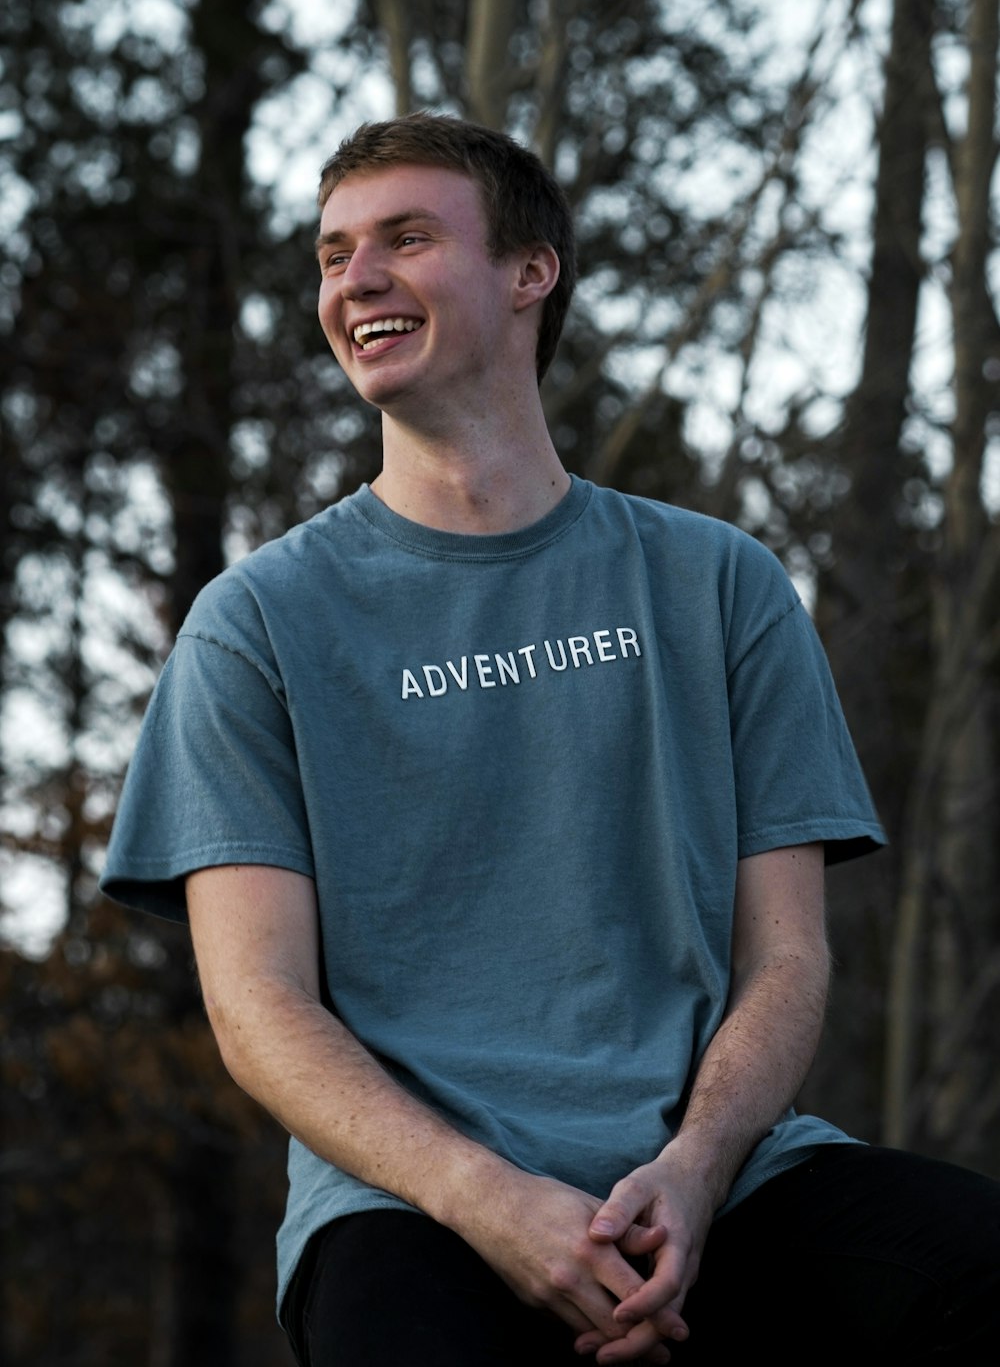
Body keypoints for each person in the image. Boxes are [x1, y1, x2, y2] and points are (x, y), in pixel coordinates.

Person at [100, 112, 1000, 1365]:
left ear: (532, 273)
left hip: (720, 1184)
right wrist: (484, 1197)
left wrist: (692, 1169)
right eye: (332, 253)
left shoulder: (719, 585)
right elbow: (257, 1006)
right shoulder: (256, 625)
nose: (355, 278)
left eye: (406, 239)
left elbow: (786, 960)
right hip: (414, 1211)